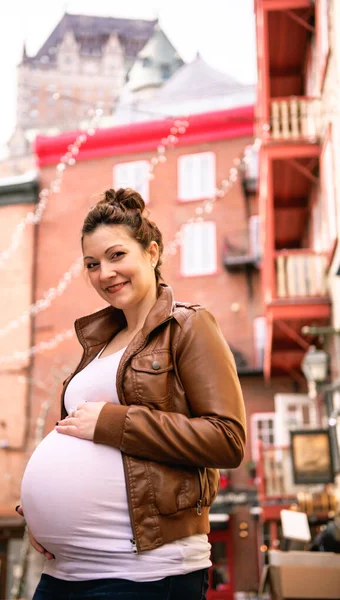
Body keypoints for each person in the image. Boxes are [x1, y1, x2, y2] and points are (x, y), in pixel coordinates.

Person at [17, 188, 246, 600]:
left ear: (153, 252)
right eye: (92, 264)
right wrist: (37, 511)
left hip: (145, 572)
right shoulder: (98, 345)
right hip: (62, 573)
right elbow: (75, 440)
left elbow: (227, 439)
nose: (104, 273)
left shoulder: (189, 326)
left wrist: (113, 422)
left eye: (117, 255)